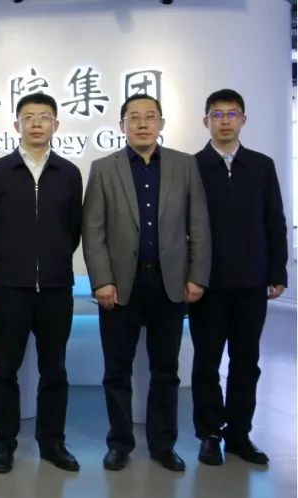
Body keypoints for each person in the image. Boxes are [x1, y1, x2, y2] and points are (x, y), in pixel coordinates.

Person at [82, 94, 211, 472]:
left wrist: (196, 276)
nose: (142, 124)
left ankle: (163, 444)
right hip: (120, 286)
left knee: (166, 370)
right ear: (121, 125)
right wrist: (102, 281)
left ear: (161, 123)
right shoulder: (104, 168)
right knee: (116, 370)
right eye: (134, 117)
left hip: (170, 283)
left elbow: (198, 225)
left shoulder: (184, 166)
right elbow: (93, 231)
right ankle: (119, 443)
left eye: (150, 117)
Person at [0, 92, 82, 474]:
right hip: (9, 288)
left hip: (56, 288)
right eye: (29, 117)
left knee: (54, 370)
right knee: (4, 369)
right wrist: (7, 260)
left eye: (44, 117)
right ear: (16, 125)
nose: (36, 123)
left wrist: (52, 260)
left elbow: (72, 229)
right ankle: (3, 444)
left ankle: (52, 442)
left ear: (56, 124)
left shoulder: (69, 173)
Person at [190, 88, 287, 467]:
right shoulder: (192, 167)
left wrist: (277, 270)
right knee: (206, 363)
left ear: (243, 120)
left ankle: (239, 434)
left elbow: (274, 221)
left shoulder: (261, 166)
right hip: (207, 285)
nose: (225, 121)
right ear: (206, 121)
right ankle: (210, 434)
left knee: (246, 362)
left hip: (251, 282)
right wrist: (188, 275)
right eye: (217, 114)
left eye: (232, 114)